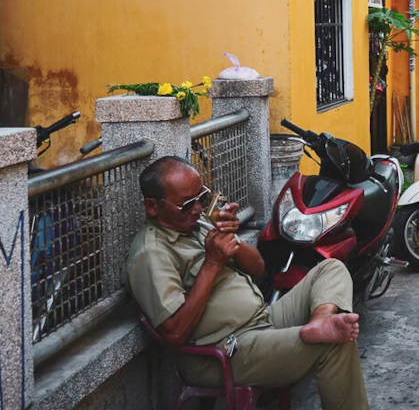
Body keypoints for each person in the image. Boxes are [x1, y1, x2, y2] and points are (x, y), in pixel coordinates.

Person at [125, 156, 368, 410]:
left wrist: (232, 238)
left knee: (331, 268)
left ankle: (321, 320)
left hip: (262, 321)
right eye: (186, 204)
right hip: (226, 351)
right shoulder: (150, 253)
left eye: (201, 198)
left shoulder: (195, 225)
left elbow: (259, 269)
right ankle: (322, 331)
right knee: (332, 344)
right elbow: (174, 333)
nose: (197, 208)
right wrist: (212, 264)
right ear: (152, 206)